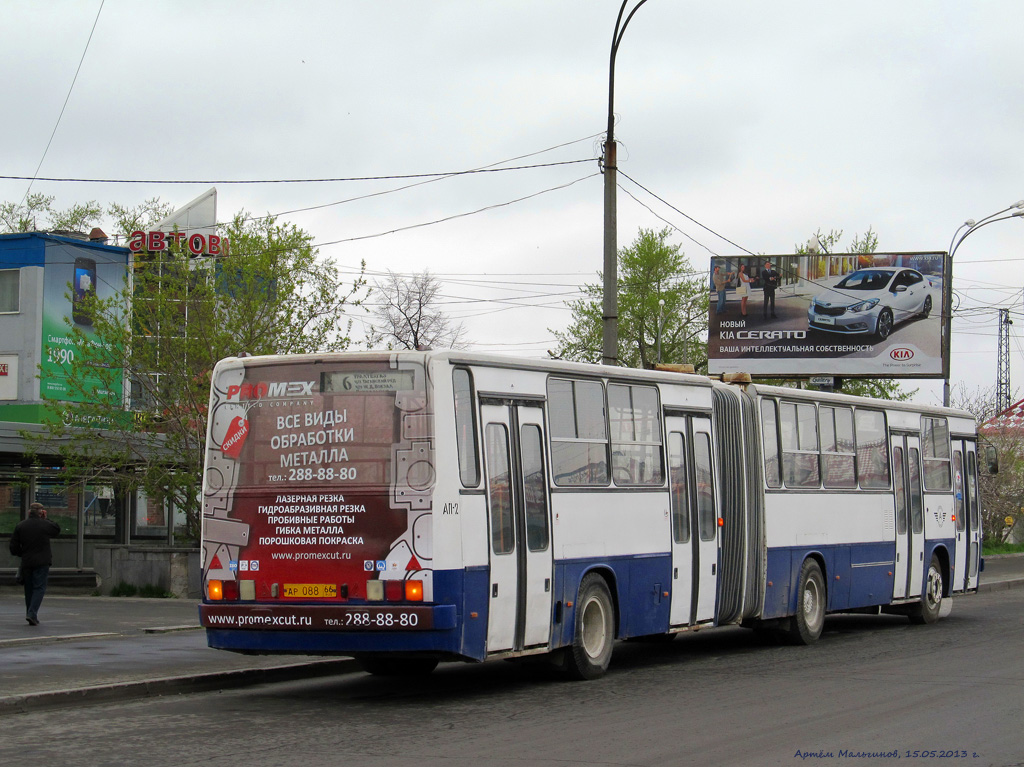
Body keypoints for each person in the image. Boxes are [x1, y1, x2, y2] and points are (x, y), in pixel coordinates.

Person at [9, 502, 60, 626]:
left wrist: (23, 554)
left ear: (28, 512)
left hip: (27, 561)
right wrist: (46, 518)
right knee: (39, 588)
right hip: (42, 561)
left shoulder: (21, 526)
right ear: (42, 512)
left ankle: (30, 613)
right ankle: (32, 613)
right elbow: (56, 530)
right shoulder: (45, 525)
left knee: (29, 589)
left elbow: (13, 547)